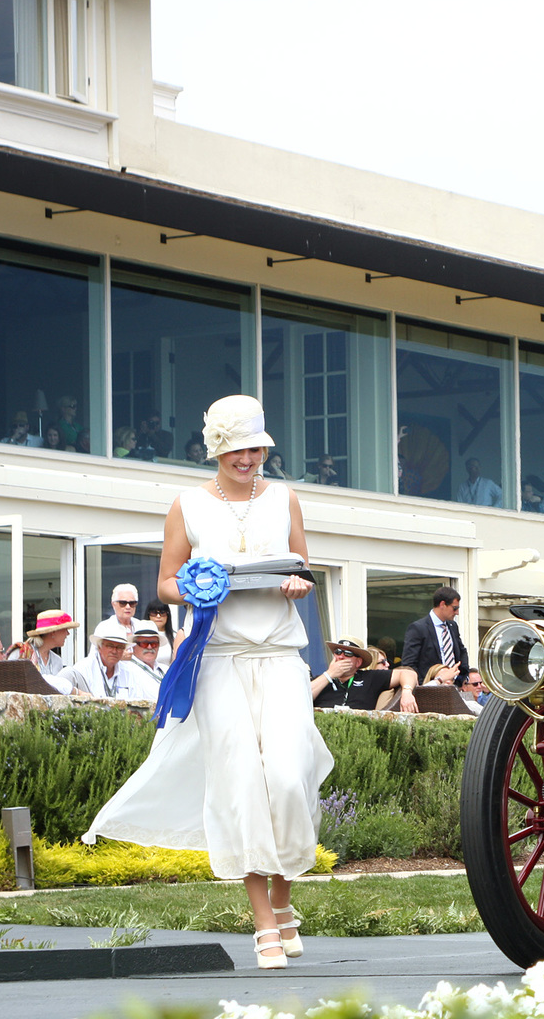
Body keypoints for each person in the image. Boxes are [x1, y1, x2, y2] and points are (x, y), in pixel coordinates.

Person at [83, 393, 334, 971]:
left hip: (279, 656)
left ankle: (284, 896)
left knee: (289, 775)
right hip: (217, 658)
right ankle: (264, 923)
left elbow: (303, 569)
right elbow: (166, 583)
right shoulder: (188, 505)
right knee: (241, 779)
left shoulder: (287, 498)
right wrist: (199, 584)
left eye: (255, 448)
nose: (246, 459)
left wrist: (299, 584)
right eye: (235, 449)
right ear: (216, 449)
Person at [53, 618, 155, 699]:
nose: (114, 651)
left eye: (119, 647)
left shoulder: (130, 672)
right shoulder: (83, 669)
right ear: (99, 647)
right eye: (110, 646)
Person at [310, 636, 415, 711]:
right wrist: (329, 674)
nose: (341, 656)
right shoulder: (322, 680)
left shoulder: (370, 677)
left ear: (358, 662)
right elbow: (302, 697)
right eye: (338, 652)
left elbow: (408, 673)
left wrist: (407, 692)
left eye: (347, 654)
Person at [400, 586, 467, 690]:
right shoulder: (418, 628)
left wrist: (462, 678)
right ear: (442, 604)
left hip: (453, 687)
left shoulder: (453, 626)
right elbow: (409, 663)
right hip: (429, 688)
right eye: (454, 608)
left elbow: (461, 651)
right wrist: (423, 686)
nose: (457, 612)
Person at [9, 609, 80, 678]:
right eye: (65, 629)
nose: (68, 633)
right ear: (53, 632)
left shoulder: (57, 661)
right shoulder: (21, 652)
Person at [127, 620, 169, 689]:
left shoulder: (165, 670)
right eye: (144, 643)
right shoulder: (127, 669)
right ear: (134, 646)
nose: (149, 647)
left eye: (154, 644)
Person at [143, 600, 177, 672]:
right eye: (154, 613)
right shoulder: (141, 636)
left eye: (162, 613)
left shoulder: (175, 636)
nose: (158, 616)